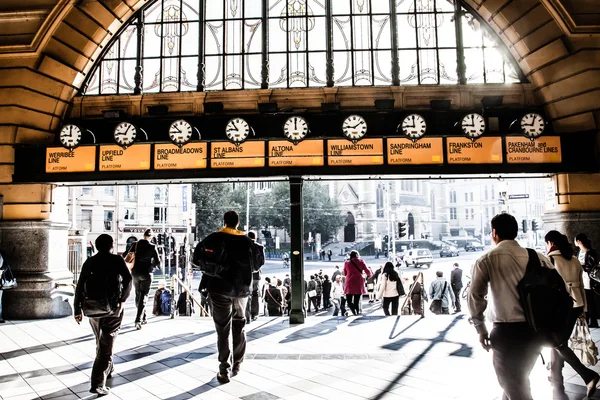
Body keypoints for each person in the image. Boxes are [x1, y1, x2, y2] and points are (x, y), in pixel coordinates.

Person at [468, 213, 556, 400]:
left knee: (515, 386)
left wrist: (481, 329)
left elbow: (475, 296)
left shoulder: (487, 259)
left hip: (506, 334)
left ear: (494, 233)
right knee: (516, 381)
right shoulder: (538, 257)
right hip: (536, 332)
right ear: (516, 231)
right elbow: (557, 289)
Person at [194, 211, 261, 383]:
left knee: (222, 328)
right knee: (239, 324)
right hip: (241, 290)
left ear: (224, 222)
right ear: (237, 224)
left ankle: (224, 368)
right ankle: (237, 363)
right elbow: (258, 264)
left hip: (218, 289)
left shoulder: (213, 238)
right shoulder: (247, 241)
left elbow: (196, 259)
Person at [74, 234, 132, 396]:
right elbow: (128, 280)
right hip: (112, 308)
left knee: (102, 340)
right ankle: (98, 383)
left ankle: (109, 367)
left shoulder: (90, 261)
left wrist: (77, 309)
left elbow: (79, 286)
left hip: (92, 308)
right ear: (111, 246)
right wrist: (122, 299)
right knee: (107, 342)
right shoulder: (116, 260)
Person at [545, 230, 600, 394]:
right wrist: (584, 309)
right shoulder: (574, 260)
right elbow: (581, 285)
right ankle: (556, 375)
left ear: (551, 244)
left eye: (546, 243)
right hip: (577, 304)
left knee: (558, 343)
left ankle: (588, 375)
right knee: (558, 342)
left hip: (560, 306)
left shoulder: (550, 260)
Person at [123, 228, 161, 330]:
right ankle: (138, 320)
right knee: (144, 296)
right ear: (151, 237)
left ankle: (143, 317)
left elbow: (124, 255)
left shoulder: (135, 244)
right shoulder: (152, 247)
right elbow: (158, 262)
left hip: (135, 273)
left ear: (143, 235)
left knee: (138, 294)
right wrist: (153, 266)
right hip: (147, 273)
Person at [575, 233, 599, 328]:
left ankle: (593, 321)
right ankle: (587, 319)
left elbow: (592, 266)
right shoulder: (579, 252)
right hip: (582, 279)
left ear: (579, 241)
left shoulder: (591, 252)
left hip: (589, 280)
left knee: (590, 301)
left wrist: (582, 266)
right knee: (586, 300)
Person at [343, 251, 371, 316]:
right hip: (359, 282)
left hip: (349, 282)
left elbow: (345, 273)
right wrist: (368, 276)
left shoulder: (347, 263)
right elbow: (368, 271)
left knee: (349, 301)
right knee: (357, 301)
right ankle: (357, 313)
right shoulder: (361, 261)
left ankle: (354, 311)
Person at [247, 231, 265, 322]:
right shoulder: (260, 247)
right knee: (255, 293)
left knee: (246, 293)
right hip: (256, 274)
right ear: (255, 237)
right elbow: (262, 261)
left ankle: (247, 314)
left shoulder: (244, 246)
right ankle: (255, 313)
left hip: (246, 273)